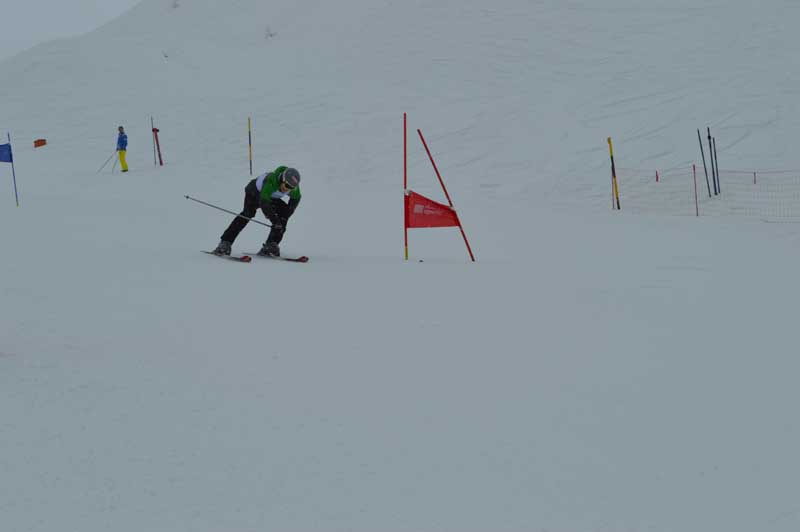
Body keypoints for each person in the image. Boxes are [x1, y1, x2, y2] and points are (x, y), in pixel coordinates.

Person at [213, 166, 301, 257]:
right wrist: (274, 220)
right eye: (286, 186)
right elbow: (264, 203)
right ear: (282, 179)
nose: (287, 189)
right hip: (254, 192)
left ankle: (271, 245)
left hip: (271, 197)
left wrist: (283, 218)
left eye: (291, 188)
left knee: (283, 215)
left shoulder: (293, 188)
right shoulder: (272, 181)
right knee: (247, 214)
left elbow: (295, 200)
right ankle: (225, 243)